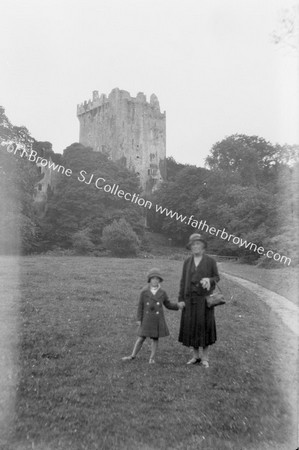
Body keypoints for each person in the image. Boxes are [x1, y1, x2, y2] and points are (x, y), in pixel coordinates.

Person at [122, 268, 185, 364]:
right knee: (141, 337)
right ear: (149, 280)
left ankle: (152, 358)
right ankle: (132, 355)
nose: (155, 280)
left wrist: (177, 305)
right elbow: (140, 306)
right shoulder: (144, 291)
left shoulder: (162, 292)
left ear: (159, 280)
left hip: (157, 319)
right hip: (146, 319)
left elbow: (168, 304)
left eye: (157, 278)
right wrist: (139, 319)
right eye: (153, 278)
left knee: (155, 338)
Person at [178, 233, 220, 368]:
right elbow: (183, 281)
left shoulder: (210, 261)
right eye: (193, 244)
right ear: (190, 247)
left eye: (198, 244)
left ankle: (205, 358)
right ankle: (196, 356)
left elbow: (217, 277)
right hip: (190, 300)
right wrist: (180, 299)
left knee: (204, 326)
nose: (195, 246)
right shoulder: (187, 262)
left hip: (204, 300)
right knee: (192, 327)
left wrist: (209, 279)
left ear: (203, 246)